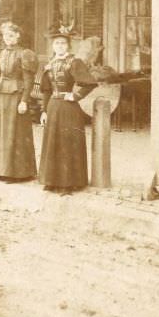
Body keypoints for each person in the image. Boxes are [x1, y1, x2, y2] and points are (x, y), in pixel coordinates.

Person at [39, 26, 97, 194]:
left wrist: (75, 96)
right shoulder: (49, 64)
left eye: (63, 43)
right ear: (52, 46)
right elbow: (46, 90)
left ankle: (67, 183)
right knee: (52, 142)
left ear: (68, 46)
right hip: (53, 106)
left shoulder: (74, 62)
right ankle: (51, 180)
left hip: (68, 108)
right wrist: (44, 111)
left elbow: (90, 83)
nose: (60, 46)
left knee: (66, 143)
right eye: (57, 43)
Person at [0, 22, 38, 182]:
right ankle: (1, 169)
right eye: (6, 35)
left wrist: (24, 101)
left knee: (15, 132)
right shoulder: (0, 52)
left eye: (12, 35)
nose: (8, 38)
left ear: (18, 36)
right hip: (1, 93)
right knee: (0, 131)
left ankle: (19, 173)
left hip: (17, 94)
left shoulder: (25, 54)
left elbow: (28, 80)